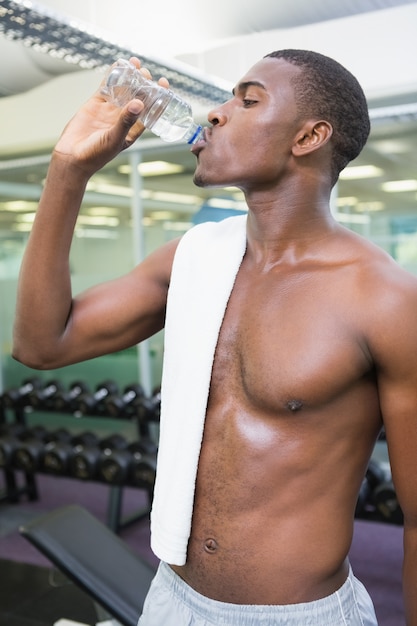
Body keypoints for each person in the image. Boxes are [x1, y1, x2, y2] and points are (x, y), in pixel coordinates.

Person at [12, 48, 417, 626]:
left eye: (248, 100)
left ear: (310, 137)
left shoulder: (385, 300)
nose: (218, 114)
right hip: (170, 598)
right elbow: (41, 345)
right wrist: (68, 170)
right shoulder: (193, 259)